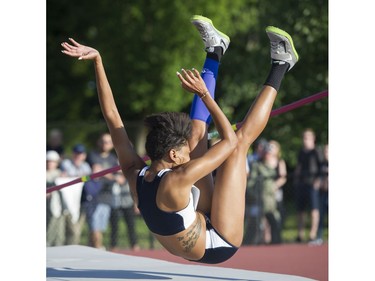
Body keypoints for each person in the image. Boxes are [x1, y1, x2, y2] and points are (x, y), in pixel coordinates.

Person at [61, 15, 299, 264]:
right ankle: (282, 63)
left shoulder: (134, 171)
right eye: (184, 151)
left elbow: (112, 117)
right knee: (239, 146)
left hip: (193, 219)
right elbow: (230, 141)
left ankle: (215, 50)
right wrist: (205, 96)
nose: (191, 152)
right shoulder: (177, 178)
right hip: (217, 242)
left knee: (198, 133)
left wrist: (98, 61)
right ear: (173, 155)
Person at [293, 128, 322, 243]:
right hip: (301, 183)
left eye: (308, 138)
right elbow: (299, 167)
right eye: (304, 138)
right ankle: (300, 234)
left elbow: (322, 167)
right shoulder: (301, 152)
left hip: (312, 183)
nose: (305, 140)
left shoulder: (316, 151)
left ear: (313, 139)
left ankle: (312, 234)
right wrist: (296, 179)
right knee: (300, 210)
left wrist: (318, 181)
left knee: (314, 209)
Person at [60, 143, 92, 245]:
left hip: (82, 200)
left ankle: (73, 246)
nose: (78, 156)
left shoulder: (86, 166)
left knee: (76, 230)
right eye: (76, 153)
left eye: (80, 153)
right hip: (66, 201)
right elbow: (64, 177)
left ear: (84, 155)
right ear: (72, 154)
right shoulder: (66, 164)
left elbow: (88, 178)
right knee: (66, 229)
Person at [81, 163, 112, 249]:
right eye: (94, 169)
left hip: (104, 204)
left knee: (99, 229)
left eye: (98, 170)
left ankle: (94, 246)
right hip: (93, 206)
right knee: (95, 228)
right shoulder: (88, 180)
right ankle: (98, 246)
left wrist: (107, 175)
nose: (96, 172)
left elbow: (119, 180)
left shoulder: (106, 180)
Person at [109, 171, 140, 251]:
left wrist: (135, 205)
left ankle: (134, 244)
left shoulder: (130, 177)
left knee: (131, 225)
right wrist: (115, 177)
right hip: (116, 204)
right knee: (114, 226)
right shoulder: (113, 176)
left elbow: (134, 192)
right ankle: (113, 245)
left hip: (128, 203)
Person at [310, 143, 328, 245]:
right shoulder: (322, 165)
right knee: (321, 216)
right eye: (325, 151)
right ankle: (319, 236)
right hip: (323, 194)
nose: (326, 153)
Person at [46, 150, 65, 246]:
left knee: (59, 234)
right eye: (48, 161)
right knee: (49, 233)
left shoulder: (61, 174)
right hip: (47, 209)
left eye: (52, 161)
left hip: (59, 207)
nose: (50, 163)